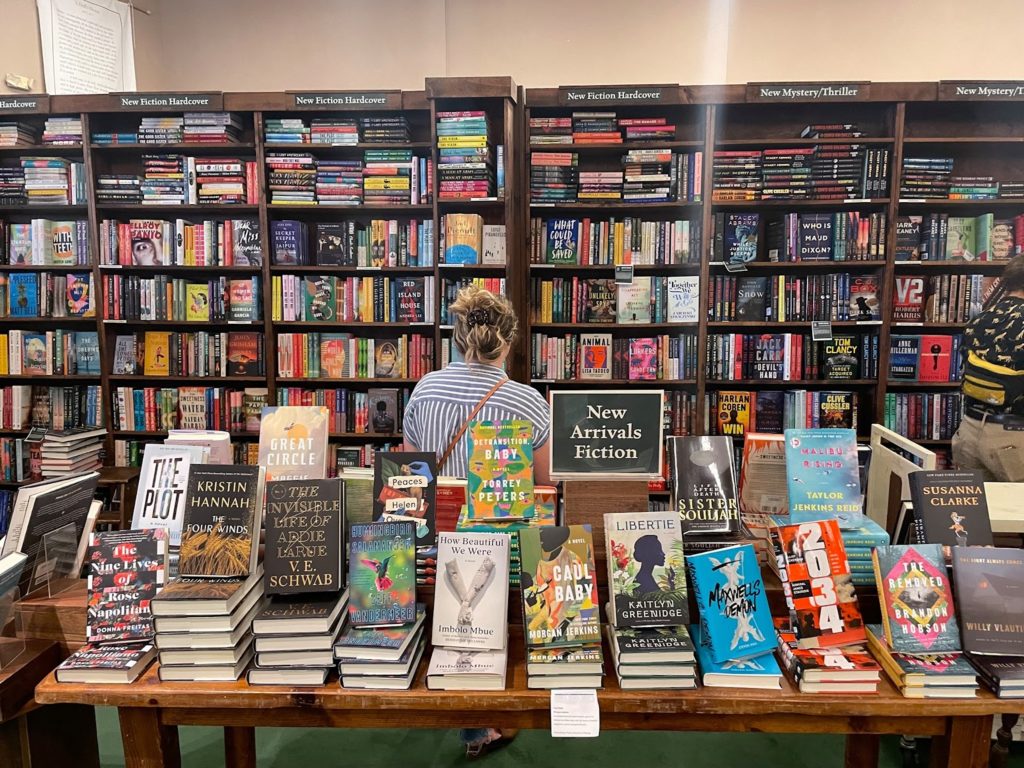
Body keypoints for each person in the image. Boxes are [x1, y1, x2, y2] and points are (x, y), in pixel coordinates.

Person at [402, 285, 550, 759]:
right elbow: (542, 489)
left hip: (432, 544)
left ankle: (454, 692)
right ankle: (483, 716)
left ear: (457, 336)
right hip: (498, 547)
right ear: (507, 343)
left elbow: (410, 475)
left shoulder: (424, 390)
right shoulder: (528, 404)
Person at [952, 255, 1024, 481]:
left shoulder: (981, 318)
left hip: (970, 431)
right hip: (1014, 438)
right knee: (1016, 513)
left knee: (973, 514)